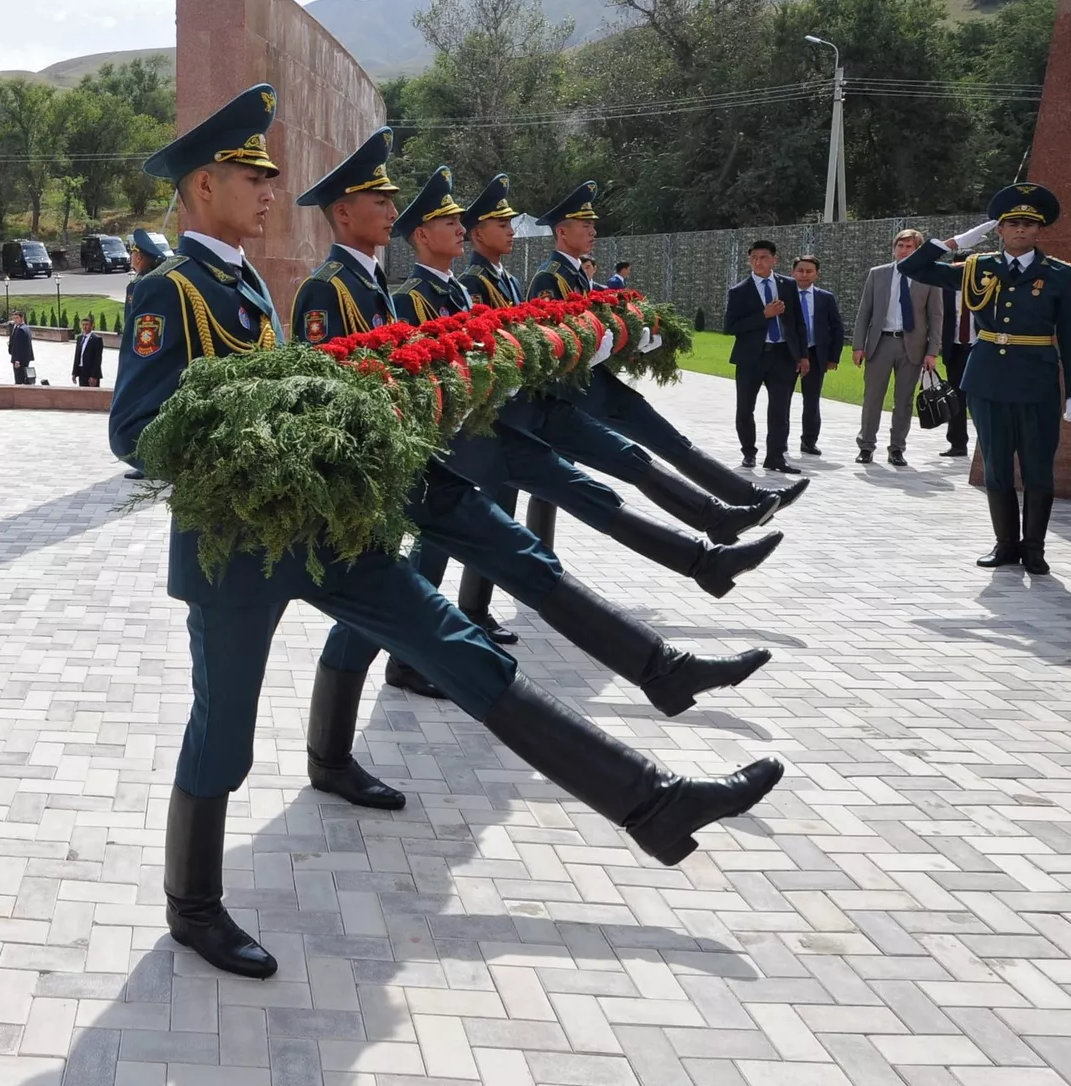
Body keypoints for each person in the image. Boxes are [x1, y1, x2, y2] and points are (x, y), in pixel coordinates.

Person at [110, 84, 783, 981]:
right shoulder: (169, 290)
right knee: (224, 730)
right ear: (204, 186)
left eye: (269, 177)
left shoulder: (245, 282)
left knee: (459, 647)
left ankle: (654, 803)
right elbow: (135, 430)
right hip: (235, 551)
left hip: (325, 523)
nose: (270, 190)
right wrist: (256, 425)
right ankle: (193, 906)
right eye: (252, 176)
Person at [295, 136, 772, 811]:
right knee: (400, 599)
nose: (394, 210)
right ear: (345, 214)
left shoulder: (373, 283)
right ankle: (332, 755)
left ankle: (667, 660)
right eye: (382, 199)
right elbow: (338, 390)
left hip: (442, 447)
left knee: (483, 564)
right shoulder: (333, 289)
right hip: (411, 461)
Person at [534, 196, 808, 510]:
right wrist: (605, 347)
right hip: (571, 393)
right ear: (562, 232)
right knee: (560, 478)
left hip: (595, 385)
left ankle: (750, 500)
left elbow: (594, 326)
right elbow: (554, 343)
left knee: (664, 442)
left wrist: (630, 342)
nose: (593, 231)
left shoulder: (577, 274)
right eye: (586, 225)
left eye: (593, 225)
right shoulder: (551, 278)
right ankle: (738, 507)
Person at [901, 183, 1071, 575]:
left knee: (1037, 467)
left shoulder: (1061, 275)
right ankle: (1005, 544)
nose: (1020, 229)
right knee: (997, 466)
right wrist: (954, 242)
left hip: (1036, 381)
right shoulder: (978, 268)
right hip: (988, 380)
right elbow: (910, 268)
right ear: (999, 230)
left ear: (1039, 230)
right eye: (1012, 223)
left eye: (1028, 224)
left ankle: (1034, 549)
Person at [852, 229, 943, 466]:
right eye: (900, 246)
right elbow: (864, 312)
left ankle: (897, 448)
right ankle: (866, 446)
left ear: (918, 250)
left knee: (904, 400)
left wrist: (932, 351)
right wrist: (858, 345)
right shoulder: (878, 274)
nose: (903, 251)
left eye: (909, 247)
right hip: (881, 342)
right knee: (872, 398)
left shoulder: (930, 277)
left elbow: (936, 316)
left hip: (912, 345)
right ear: (894, 248)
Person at [725, 240, 808, 474]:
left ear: (774, 260)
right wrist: (764, 315)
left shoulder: (788, 285)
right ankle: (749, 452)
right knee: (745, 408)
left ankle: (775, 457)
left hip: (783, 355)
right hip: (751, 357)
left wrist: (803, 355)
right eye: (754, 258)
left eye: (763, 257)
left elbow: (798, 323)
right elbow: (731, 326)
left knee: (780, 410)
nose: (758, 262)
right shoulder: (739, 291)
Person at [790, 255, 845, 457]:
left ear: (816, 274)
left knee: (812, 400)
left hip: (815, 354)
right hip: (788, 354)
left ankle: (809, 441)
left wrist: (833, 357)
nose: (804, 275)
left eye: (809, 271)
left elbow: (837, 328)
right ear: (792, 272)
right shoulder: (784, 296)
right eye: (800, 270)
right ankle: (779, 440)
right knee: (782, 400)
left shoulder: (825, 298)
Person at [936, 248, 974, 457]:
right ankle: (958, 443)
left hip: (979, 347)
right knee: (956, 397)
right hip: (956, 348)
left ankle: (986, 444)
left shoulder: (984, 288)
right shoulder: (945, 289)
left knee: (980, 397)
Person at [71, 316, 104, 387]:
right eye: (83, 324)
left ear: (92, 326)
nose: (84, 327)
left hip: (91, 373)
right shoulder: (80, 338)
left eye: (87, 324)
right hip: (81, 372)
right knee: (82, 392)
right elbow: (77, 356)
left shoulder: (96, 339)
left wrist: (94, 376)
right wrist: (74, 372)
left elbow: (98, 359)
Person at [6, 310, 35, 385]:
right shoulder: (26, 327)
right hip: (25, 358)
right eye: (14, 318)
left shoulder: (21, 330)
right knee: (24, 378)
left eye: (17, 318)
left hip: (20, 360)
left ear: (22, 318)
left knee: (19, 380)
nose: (15, 320)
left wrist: (17, 360)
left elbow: (19, 346)